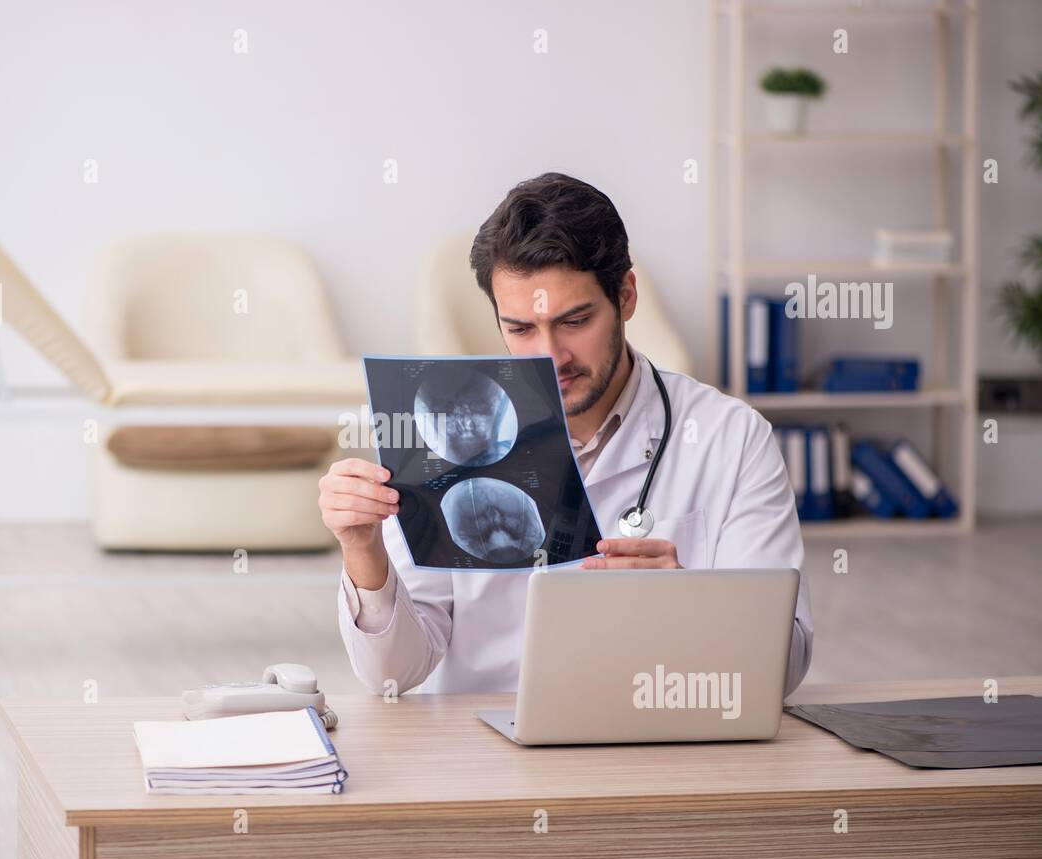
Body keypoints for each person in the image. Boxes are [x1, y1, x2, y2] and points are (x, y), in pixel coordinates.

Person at [318, 172, 813, 695]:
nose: (551, 357)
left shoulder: (730, 438)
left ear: (625, 296)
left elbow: (786, 667)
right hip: (484, 755)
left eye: (575, 321)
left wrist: (688, 605)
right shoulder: (439, 439)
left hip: (659, 735)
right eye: (521, 329)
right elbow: (394, 675)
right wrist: (363, 551)